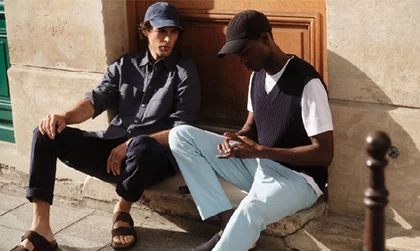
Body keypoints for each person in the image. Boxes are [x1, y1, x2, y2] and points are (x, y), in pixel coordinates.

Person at [12, 2, 200, 251]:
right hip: (111, 151)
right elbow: (96, 99)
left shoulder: (183, 70)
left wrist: (132, 142)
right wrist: (64, 117)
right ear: (145, 30)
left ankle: (122, 210)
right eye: (160, 30)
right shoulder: (125, 65)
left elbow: (182, 128)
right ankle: (41, 229)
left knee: (142, 144)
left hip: (152, 157)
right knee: (45, 133)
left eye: (174, 32)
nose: (167, 38)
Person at [168, 10, 334, 251]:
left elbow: (324, 154)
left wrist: (262, 151)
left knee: (250, 207)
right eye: (238, 55)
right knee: (180, 135)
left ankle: (227, 242)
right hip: (261, 166)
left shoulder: (307, 82)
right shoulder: (257, 77)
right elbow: (251, 127)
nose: (242, 61)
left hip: (299, 180)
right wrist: (237, 139)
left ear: (265, 39)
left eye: (245, 51)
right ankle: (228, 224)